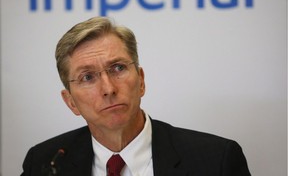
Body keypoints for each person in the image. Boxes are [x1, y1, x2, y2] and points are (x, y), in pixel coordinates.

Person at [21, 16, 251, 176]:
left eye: (118, 68)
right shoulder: (44, 163)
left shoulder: (216, 160)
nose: (108, 88)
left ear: (141, 80)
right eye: (88, 77)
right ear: (70, 101)